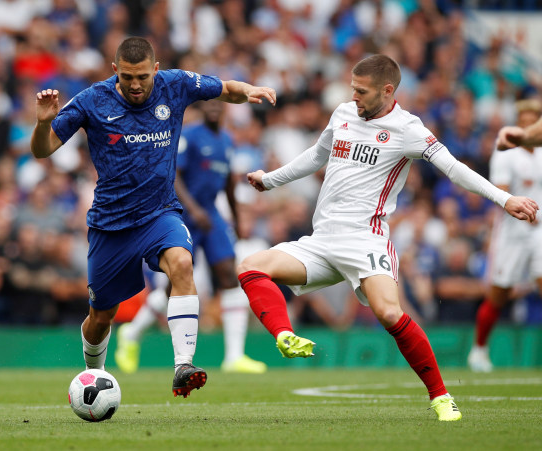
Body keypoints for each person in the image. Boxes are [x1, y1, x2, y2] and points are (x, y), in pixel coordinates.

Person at [236, 54, 539, 421]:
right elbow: (316, 157)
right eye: (352, 88)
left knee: (390, 313)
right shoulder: (343, 114)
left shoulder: (408, 129)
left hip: (367, 241)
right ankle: (285, 336)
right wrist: (270, 180)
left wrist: (505, 199)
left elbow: (455, 170)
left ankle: (441, 397)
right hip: (322, 240)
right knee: (251, 266)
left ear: (388, 90)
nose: (354, 96)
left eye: (361, 91)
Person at [30, 37, 276, 398]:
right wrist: (42, 124)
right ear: (115, 70)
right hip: (110, 225)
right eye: (127, 76)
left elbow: (223, 89)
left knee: (182, 262)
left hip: (160, 213)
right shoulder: (91, 100)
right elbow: (43, 149)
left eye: (142, 76)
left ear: (155, 70)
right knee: (101, 317)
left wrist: (250, 90)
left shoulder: (174, 84)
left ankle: (183, 366)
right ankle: (94, 376)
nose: (135, 84)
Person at [114, 100, 267, 375]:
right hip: (184, 213)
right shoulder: (190, 136)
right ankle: (132, 332)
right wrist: (193, 210)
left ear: (225, 110)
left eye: (218, 105)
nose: (213, 109)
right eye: (207, 105)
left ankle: (234, 356)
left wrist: (237, 217)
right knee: (176, 285)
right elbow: (174, 176)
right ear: (201, 108)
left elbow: (229, 184)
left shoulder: (226, 140)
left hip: (211, 216)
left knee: (228, 275)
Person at [468, 99, 542, 372]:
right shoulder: (506, 151)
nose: (528, 127)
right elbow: (499, 191)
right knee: (500, 294)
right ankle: (479, 350)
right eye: (524, 122)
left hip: (541, 233)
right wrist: (520, 209)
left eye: (533, 122)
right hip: (513, 232)